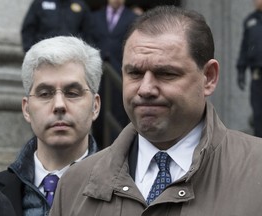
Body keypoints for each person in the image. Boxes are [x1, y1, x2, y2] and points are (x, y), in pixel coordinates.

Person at [50, 6, 262, 216]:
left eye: (166, 73)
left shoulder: (255, 170)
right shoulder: (74, 185)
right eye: (134, 73)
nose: (146, 89)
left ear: (209, 77)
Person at [0, 36, 102, 216]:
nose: (59, 105)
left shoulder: (126, 191)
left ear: (95, 106)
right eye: (44, 93)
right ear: (26, 109)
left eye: (72, 93)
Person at [90, 0, 138, 145]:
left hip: (119, 74)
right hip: (98, 74)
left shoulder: (133, 18)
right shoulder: (94, 17)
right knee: (97, 115)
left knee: (118, 115)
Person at [21, 0, 91, 52]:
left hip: (71, 54)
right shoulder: (40, 3)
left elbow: (88, 32)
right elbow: (28, 28)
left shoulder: (81, 5)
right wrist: (29, 50)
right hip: (43, 52)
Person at [236, 0, 262, 138]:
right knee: (258, 113)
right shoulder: (250, 21)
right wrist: (241, 70)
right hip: (257, 76)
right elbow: (244, 48)